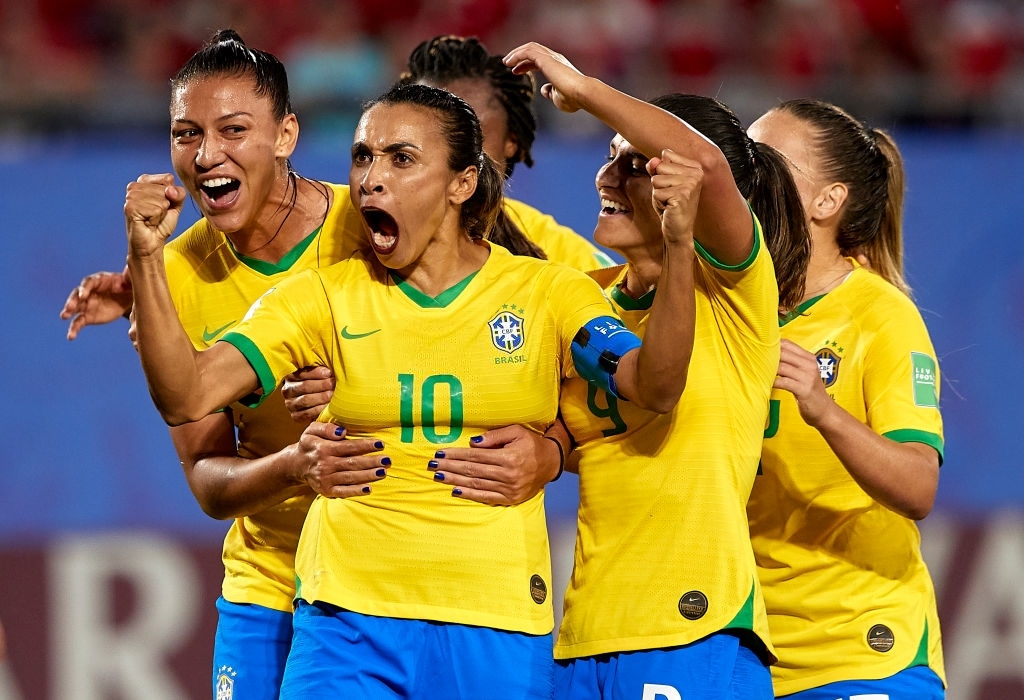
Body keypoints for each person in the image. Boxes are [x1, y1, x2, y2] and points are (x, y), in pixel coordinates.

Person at [123, 82, 698, 699]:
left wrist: (680, 244)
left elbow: (654, 386)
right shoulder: (319, 296)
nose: (370, 179)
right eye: (362, 156)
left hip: (495, 617)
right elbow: (189, 396)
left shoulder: (547, 293)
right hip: (344, 619)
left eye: (401, 158)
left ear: (462, 183)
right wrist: (147, 257)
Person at [59, 30, 559, 699]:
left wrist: (551, 449)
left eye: (234, 129)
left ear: (287, 135)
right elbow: (206, 479)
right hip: (269, 584)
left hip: (397, 587)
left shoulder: (377, 215)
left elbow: (512, 326)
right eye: (185, 134)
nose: (207, 154)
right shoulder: (173, 278)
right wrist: (293, 466)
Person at [502, 42, 810, 699]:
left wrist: (584, 89)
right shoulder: (591, 302)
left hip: (691, 628)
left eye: (633, 164)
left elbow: (706, 162)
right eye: (607, 158)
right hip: (585, 633)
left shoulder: (731, 290)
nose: (605, 178)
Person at [746, 98, 946, 699]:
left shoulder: (881, 316)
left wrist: (825, 410)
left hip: (862, 650)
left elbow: (918, 486)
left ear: (826, 202)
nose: (746, 174)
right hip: (751, 652)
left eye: (767, 160)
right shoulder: (736, 309)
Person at [397, 34, 614, 269]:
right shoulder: (356, 229)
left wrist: (587, 91)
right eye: (421, 134)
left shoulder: (559, 256)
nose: (444, 152)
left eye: (467, 133)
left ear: (510, 141)